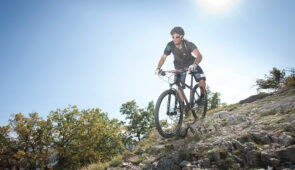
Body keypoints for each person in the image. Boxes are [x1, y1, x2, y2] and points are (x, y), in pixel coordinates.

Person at [155, 26, 206, 104]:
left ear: (182, 37)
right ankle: (182, 105)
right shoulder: (170, 45)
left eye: (177, 37)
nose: (174, 39)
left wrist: (195, 64)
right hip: (179, 66)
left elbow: (199, 55)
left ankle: (202, 97)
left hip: (192, 64)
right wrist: (158, 68)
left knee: (201, 78)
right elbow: (163, 57)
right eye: (173, 37)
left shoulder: (188, 44)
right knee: (178, 85)